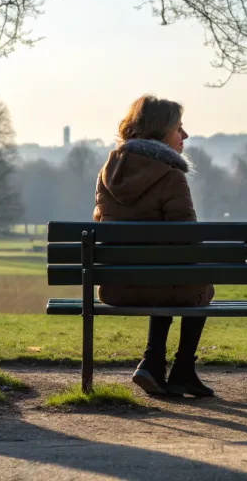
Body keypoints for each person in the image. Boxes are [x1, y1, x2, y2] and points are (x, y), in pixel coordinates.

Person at [94, 94, 214, 397]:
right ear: (161, 131)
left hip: (115, 286)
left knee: (166, 275)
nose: (184, 135)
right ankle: (183, 369)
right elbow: (189, 239)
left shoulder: (108, 172)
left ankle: (152, 362)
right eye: (179, 128)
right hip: (158, 281)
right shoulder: (170, 175)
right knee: (199, 285)